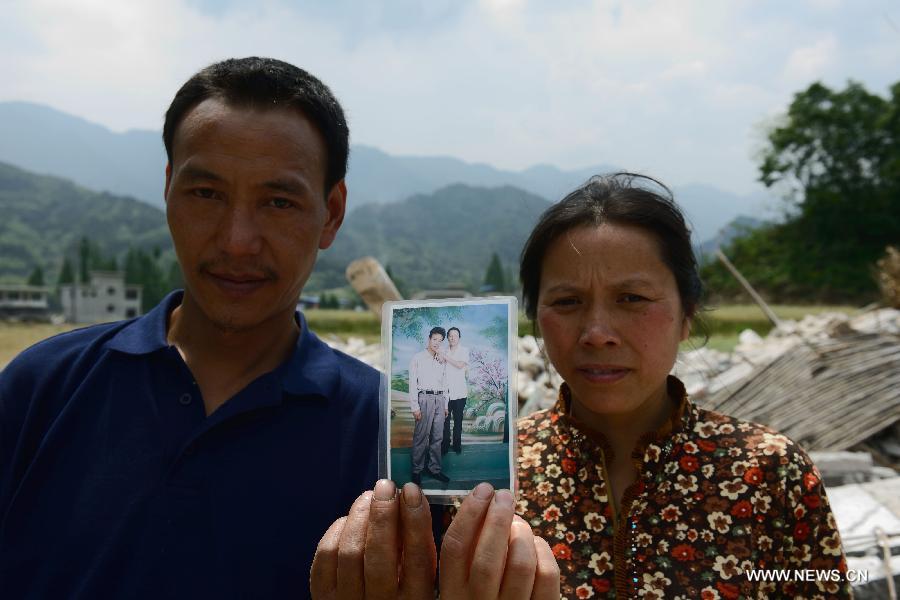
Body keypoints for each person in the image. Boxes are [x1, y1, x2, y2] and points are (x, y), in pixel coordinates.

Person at [514, 173, 851, 599]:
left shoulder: (768, 473)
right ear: (537, 318)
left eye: (632, 298)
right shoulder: (495, 479)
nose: (597, 333)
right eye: (567, 302)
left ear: (687, 314)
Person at [408, 326, 450, 484]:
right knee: (421, 436)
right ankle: (417, 470)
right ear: (429, 339)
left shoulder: (442, 359)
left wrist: (445, 404)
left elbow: (445, 382)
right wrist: (415, 407)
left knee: (437, 437)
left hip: (440, 400)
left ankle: (434, 469)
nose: (437, 343)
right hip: (424, 398)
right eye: (435, 339)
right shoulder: (417, 358)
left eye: (440, 341)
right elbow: (412, 383)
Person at [441, 326, 470, 455]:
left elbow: (459, 365)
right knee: (445, 421)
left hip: (460, 393)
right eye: (450, 335)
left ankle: (457, 445)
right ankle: (445, 445)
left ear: (459, 338)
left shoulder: (464, 350)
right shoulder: (444, 350)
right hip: (446, 393)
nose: (453, 338)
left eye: (455, 336)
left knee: (458, 421)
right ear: (447, 337)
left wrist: (445, 357)